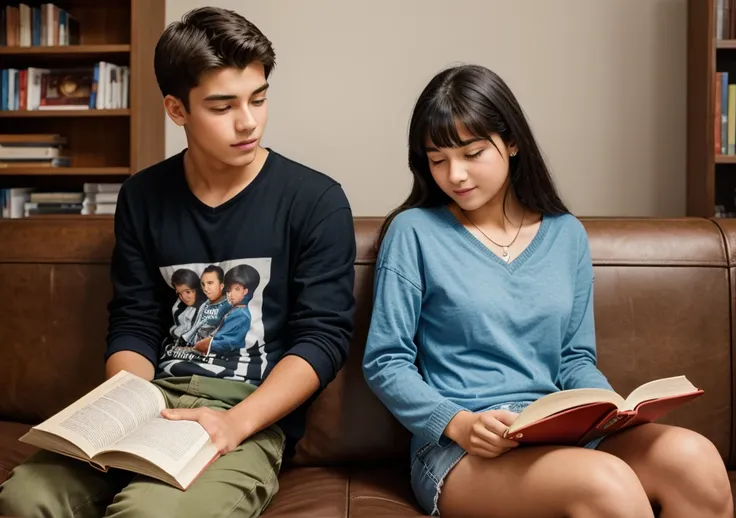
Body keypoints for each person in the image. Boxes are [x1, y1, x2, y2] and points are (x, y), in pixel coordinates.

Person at [0, 6, 355, 518]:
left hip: (245, 412)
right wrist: (127, 405)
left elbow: (322, 338)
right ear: (176, 108)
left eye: (258, 98)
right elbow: (134, 320)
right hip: (153, 398)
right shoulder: (143, 197)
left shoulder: (315, 200)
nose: (248, 121)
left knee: (150, 514)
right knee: (23, 498)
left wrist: (234, 424)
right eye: (222, 105)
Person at [362, 64, 733, 518]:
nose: (454, 175)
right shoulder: (414, 232)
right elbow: (386, 362)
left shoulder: (566, 235)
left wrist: (608, 408)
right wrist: (457, 423)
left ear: (512, 142)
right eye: (437, 160)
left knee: (695, 460)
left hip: (555, 429)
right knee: (607, 485)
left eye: (472, 153)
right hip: (463, 448)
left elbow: (575, 359)